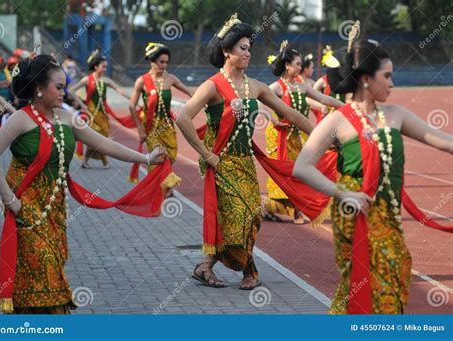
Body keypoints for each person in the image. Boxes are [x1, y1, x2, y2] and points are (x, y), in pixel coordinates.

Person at [0, 54, 171, 314]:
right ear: (38, 88)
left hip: (55, 209)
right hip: (25, 208)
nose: (64, 92)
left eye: (64, 86)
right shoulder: (20, 119)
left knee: (52, 263)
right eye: (58, 87)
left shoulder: (67, 118)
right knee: (41, 262)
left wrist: (146, 157)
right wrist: (9, 199)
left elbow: (103, 143)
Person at [294, 34, 453, 314]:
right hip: (354, 214)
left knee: (396, 274)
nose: (392, 84)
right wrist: (342, 193)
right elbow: (302, 166)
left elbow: (444, 141)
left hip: (388, 217)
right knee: (360, 282)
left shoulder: (396, 115)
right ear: (366, 79)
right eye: (387, 76)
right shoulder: (338, 120)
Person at [176, 14, 337, 290]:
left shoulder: (257, 88)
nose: (248, 52)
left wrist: (323, 137)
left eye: (249, 47)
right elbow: (183, 118)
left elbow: (293, 116)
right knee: (238, 213)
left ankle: (206, 267)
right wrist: (205, 154)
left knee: (250, 214)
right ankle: (247, 270)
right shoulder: (212, 86)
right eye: (242, 47)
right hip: (220, 160)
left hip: (245, 162)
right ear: (227, 51)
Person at [264, 42, 343, 224]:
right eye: (297, 64)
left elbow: (324, 98)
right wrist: (273, 119)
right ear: (287, 65)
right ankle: (297, 212)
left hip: (298, 135)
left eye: (301, 64)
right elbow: (260, 103)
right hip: (279, 136)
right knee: (287, 173)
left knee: (302, 170)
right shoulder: (276, 87)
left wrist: (346, 107)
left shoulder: (302, 87)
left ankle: (270, 208)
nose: (300, 67)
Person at [128, 42, 192, 185]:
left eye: (166, 62)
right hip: (151, 126)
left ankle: (163, 183)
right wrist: (140, 129)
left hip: (167, 125)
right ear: (152, 61)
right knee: (157, 157)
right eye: (161, 62)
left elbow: (190, 93)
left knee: (172, 155)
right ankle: (158, 189)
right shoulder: (142, 81)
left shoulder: (171, 79)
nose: (164, 65)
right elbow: (132, 106)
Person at [69, 50, 131, 168]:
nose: (105, 69)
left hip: (103, 114)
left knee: (101, 136)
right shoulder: (87, 80)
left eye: (106, 67)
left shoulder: (105, 81)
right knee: (97, 136)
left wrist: (133, 99)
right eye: (103, 66)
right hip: (91, 113)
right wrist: (82, 105)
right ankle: (104, 162)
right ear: (96, 66)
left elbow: (120, 90)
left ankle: (86, 161)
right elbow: (71, 91)